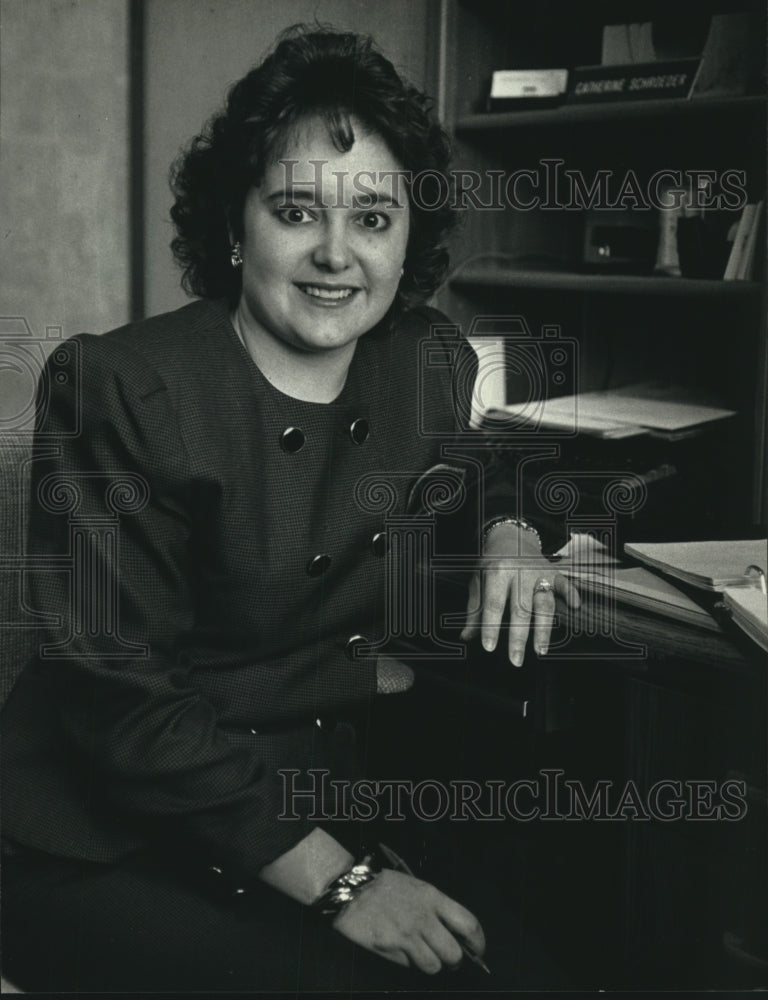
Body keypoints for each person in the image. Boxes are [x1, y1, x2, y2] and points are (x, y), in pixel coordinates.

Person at [1, 25, 579, 992]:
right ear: (235, 227)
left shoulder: (425, 360)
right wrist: (348, 887)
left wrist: (512, 531)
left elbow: (488, 467)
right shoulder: (120, 387)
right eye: (296, 210)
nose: (335, 255)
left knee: (528, 972)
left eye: (373, 220)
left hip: (307, 802)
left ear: (410, 242)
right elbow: (122, 702)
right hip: (101, 840)